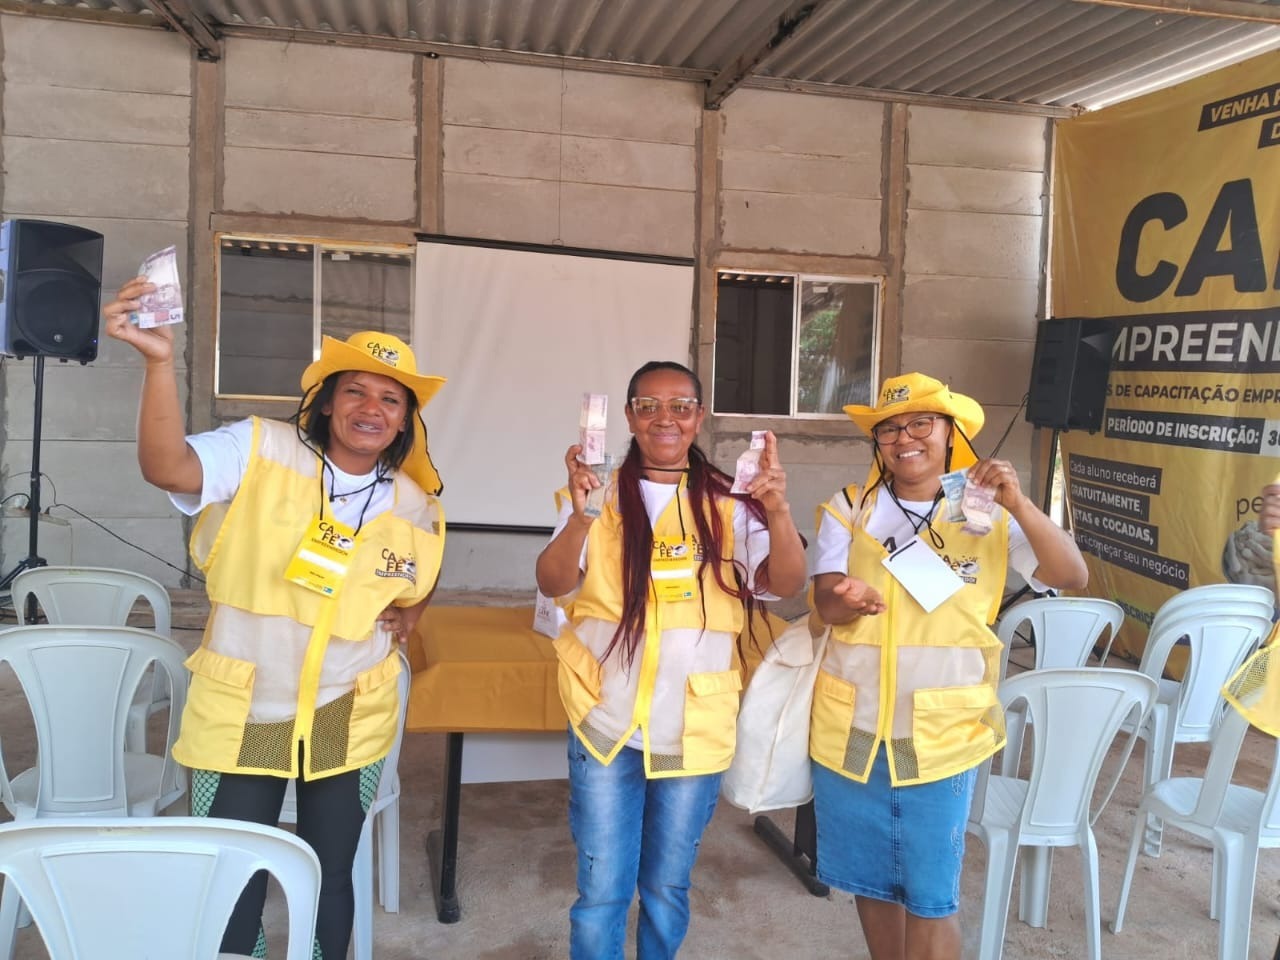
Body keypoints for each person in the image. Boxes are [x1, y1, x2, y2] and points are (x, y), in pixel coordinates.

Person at [103, 277, 448, 960]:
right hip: (249, 705)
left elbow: (417, 577)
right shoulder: (260, 449)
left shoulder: (413, 501)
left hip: (347, 710)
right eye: (355, 391)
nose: (371, 408)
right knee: (234, 874)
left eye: (390, 399)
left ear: (406, 419)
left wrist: (412, 611)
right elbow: (168, 468)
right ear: (326, 401)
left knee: (329, 871)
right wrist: (158, 364)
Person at [808, 372, 1088, 960]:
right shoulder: (850, 508)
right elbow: (826, 604)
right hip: (852, 730)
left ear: (950, 433)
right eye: (889, 429)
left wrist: (1020, 504)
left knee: (932, 896)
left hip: (943, 733)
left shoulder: (987, 511)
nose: (904, 439)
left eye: (921, 424)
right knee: (870, 883)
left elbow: (1071, 575)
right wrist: (847, 599)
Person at [535, 360, 807, 959]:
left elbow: (786, 584)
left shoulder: (730, 503)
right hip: (607, 718)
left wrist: (779, 511)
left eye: (680, 406)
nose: (665, 418)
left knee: (665, 886)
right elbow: (553, 581)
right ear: (629, 416)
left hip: (693, 726)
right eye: (649, 406)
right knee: (601, 891)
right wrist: (581, 517)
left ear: (698, 417)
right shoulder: (599, 494)